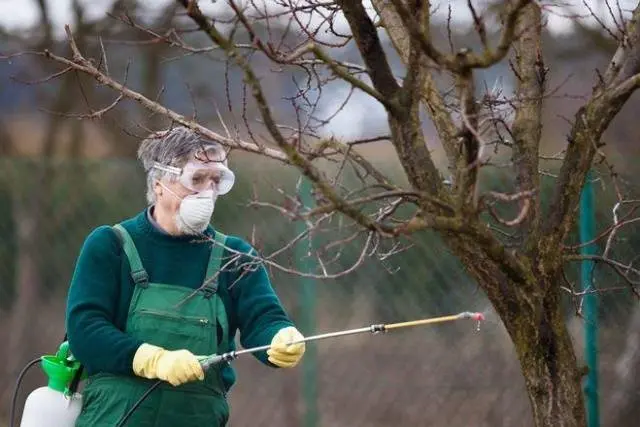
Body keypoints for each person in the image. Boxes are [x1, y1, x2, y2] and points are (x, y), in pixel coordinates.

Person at [65, 126, 306, 426]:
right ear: (158, 183)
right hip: (116, 417)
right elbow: (84, 330)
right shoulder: (110, 245)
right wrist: (150, 359)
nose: (207, 192)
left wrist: (280, 337)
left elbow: (263, 318)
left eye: (215, 181)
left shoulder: (233, 256)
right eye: (196, 179)